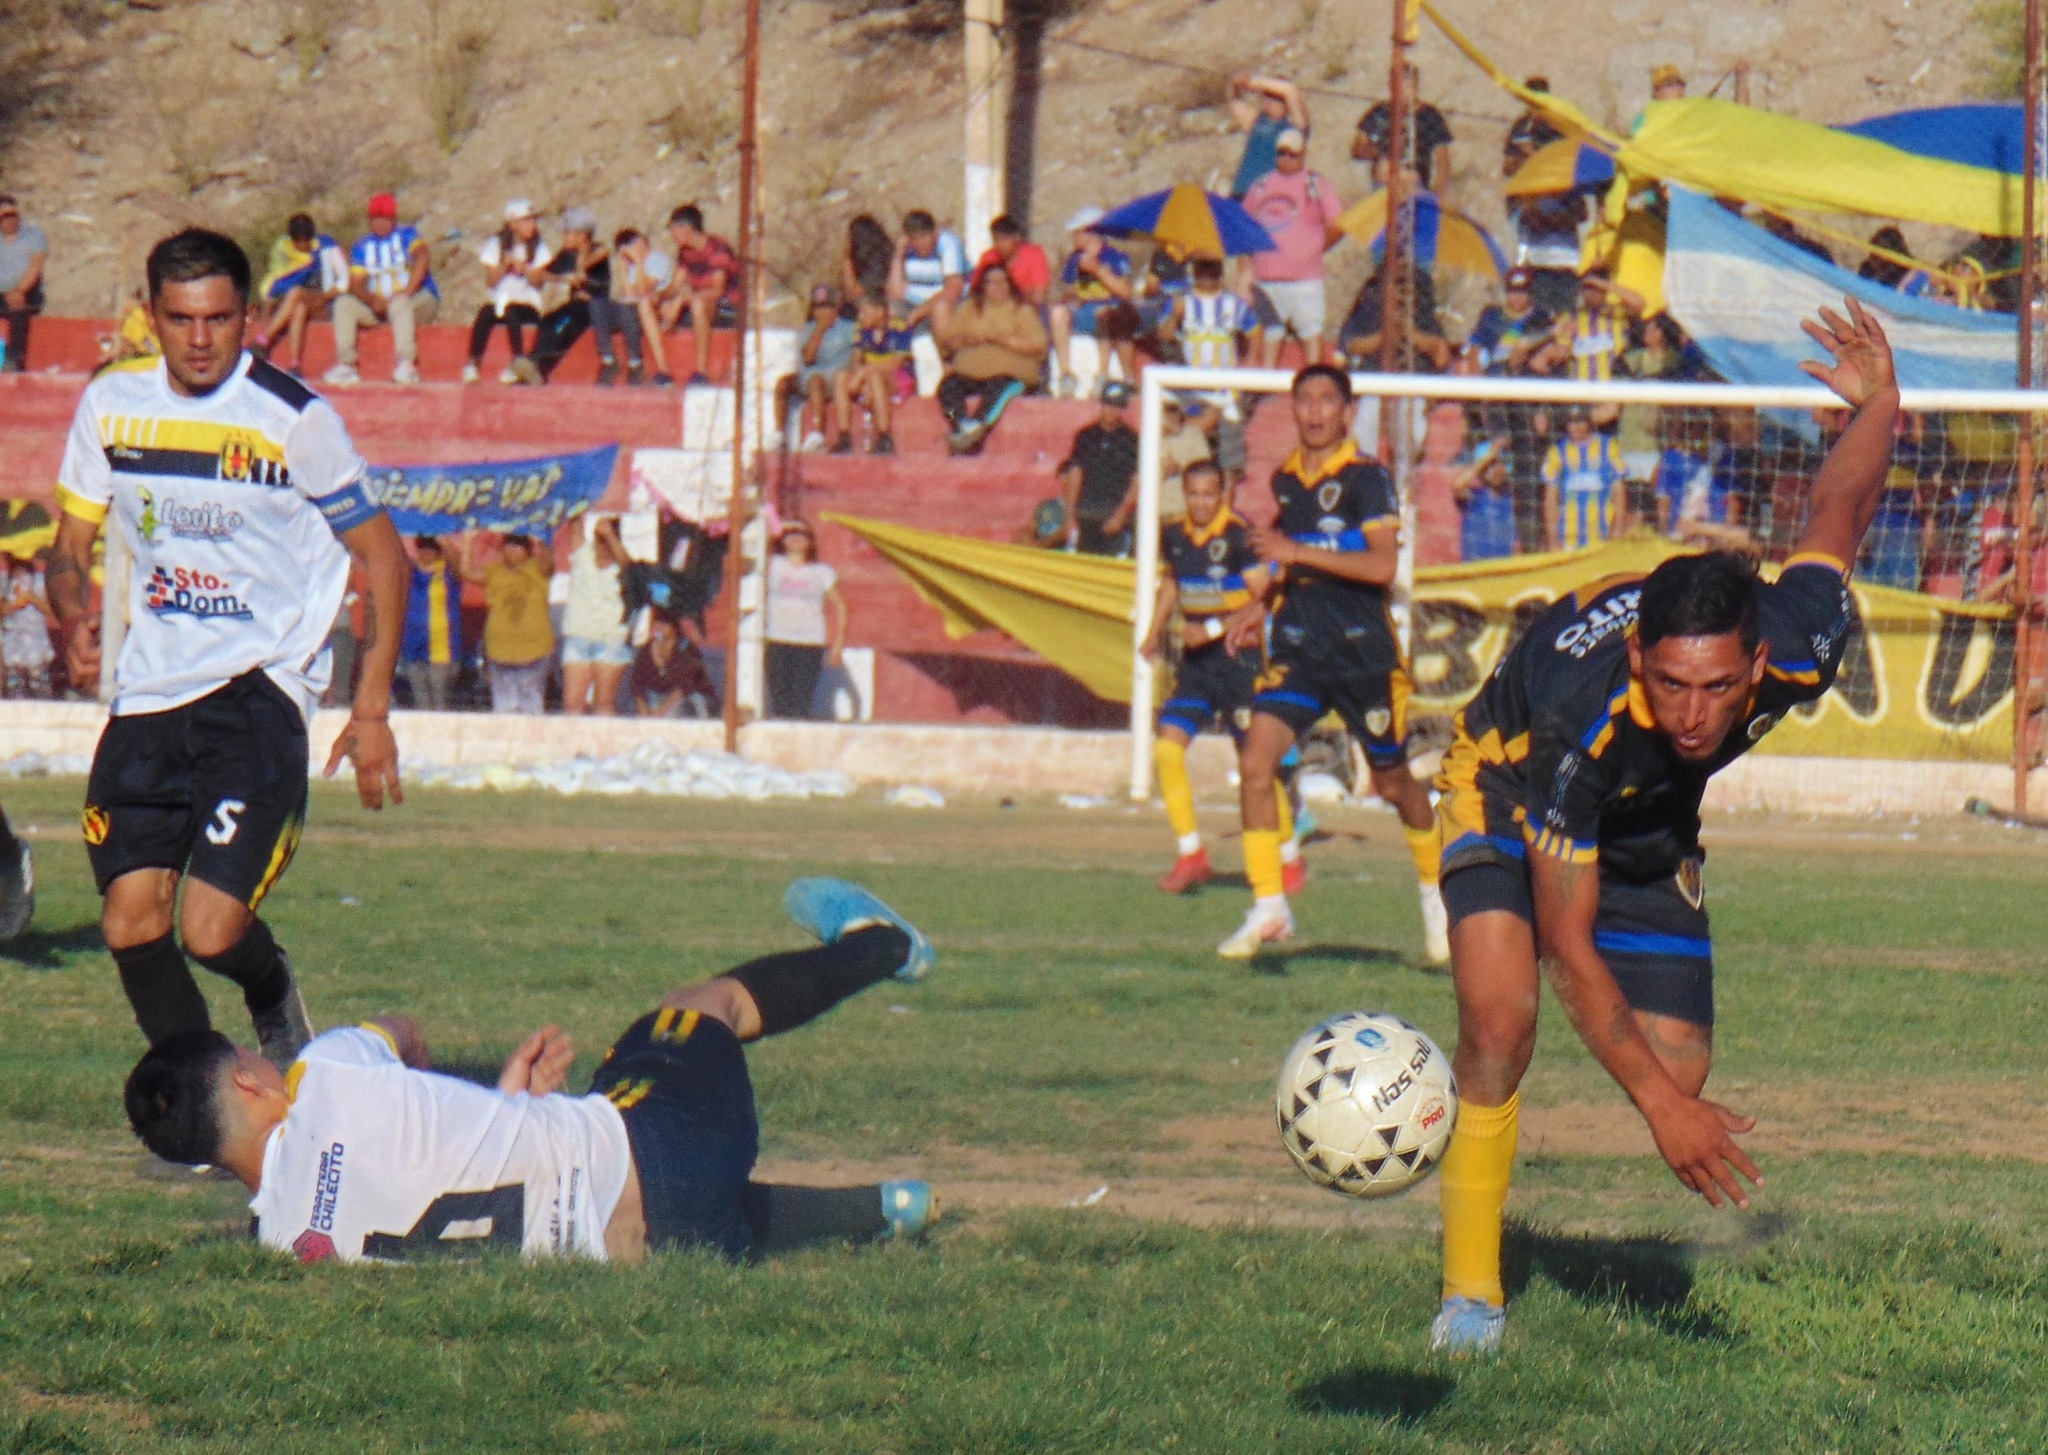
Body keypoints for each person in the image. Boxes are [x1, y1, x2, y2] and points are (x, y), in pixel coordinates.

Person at [1425, 298, 1896, 1356]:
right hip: (1504, 791)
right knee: (1502, 1023)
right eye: (1670, 685)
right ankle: (1469, 1295)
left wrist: (1882, 401)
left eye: (1716, 688)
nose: (1693, 713)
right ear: (1638, 661)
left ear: (1755, 667)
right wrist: (1656, 1117)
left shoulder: (1796, 639)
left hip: (1648, 825)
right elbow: (1565, 943)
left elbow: (1840, 505)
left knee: (1676, 1065)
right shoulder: (1576, 733)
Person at [123, 877, 938, 1264]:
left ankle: (886, 1208)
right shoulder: (326, 1071)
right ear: (249, 1081)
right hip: (669, 1153)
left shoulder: (285, 1242)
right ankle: (883, 943)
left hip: (647, 1254)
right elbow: (404, 1032)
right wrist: (408, 1069)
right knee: (696, 1009)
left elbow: (429, 1191)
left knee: (701, 1213)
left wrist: (502, 1107)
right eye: (256, 1059)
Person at [48, 227, 409, 1063]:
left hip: (258, 693)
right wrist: (73, 615)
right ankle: (208, 1109)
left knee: (211, 932)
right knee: (130, 920)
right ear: (152, 317)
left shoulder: (297, 421)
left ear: (248, 316)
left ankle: (272, 988)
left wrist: (372, 703)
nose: (200, 339)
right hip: (148, 697)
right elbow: (69, 548)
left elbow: (384, 557)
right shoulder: (111, 406)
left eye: (218, 319)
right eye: (181, 319)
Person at [1217, 365, 1447, 962]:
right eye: (1305, 401)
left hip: (1361, 654)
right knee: (1256, 761)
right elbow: (1290, 561)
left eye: (1327, 401)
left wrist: (1294, 553)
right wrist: (1258, 602)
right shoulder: (1287, 480)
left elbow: (1380, 568)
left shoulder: (1366, 478)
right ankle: (1269, 905)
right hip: (1299, 651)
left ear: (1347, 411)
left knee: (1395, 785)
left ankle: (1436, 894)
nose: (1315, 412)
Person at [1141, 461, 1277, 893]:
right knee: (1166, 749)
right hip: (1197, 666)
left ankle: (1283, 859)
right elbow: (1172, 585)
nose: (1200, 502)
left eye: (1208, 494)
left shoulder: (1240, 534)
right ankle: (1191, 854)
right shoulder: (1175, 534)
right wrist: (1153, 632)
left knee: (1255, 765)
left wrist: (1216, 629)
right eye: (1193, 494)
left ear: (1223, 494)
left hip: (1239, 662)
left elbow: (1267, 598)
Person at [1241, 129, 1345, 368]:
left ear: (1303, 155)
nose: (1286, 159)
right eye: (1281, 153)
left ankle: (1314, 381)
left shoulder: (1315, 184)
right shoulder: (1261, 185)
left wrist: (1315, 249)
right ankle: (1266, 391)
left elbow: (1338, 224)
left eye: (1292, 154)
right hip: (1267, 280)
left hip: (1304, 281)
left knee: (1311, 335)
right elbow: (1244, 223)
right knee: (1271, 336)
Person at [935, 265, 1047, 455]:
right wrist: (966, 340)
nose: (999, 287)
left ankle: (978, 425)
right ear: (983, 286)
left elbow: (1038, 346)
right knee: (948, 387)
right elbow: (948, 342)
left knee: (999, 388)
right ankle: (962, 424)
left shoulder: (1021, 310)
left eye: (1003, 282)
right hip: (969, 373)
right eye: (992, 283)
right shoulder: (969, 308)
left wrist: (1001, 339)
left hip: (1008, 374)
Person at [328, 192, 439, 386]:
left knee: (399, 303)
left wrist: (407, 291)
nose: (380, 223)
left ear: (393, 219)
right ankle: (347, 364)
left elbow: (422, 257)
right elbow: (356, 281)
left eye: (385, 219)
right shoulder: (363, 245)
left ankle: (406, 363)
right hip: (381, 304)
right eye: (376, 219)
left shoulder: (408, 235)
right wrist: (372, 300)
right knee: (344, 304)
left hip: (416, 300)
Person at [460, 533, 555, 714]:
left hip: (534, 651)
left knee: (532, 707)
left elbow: (549, 565)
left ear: (527, 550)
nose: (511, 551)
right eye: (507, 546)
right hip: (500, 651)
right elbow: (466, 572)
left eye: (517, 546)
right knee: (503, 708)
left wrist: (540, 543)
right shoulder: (494, 571)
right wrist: (468, 542)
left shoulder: (538, 569)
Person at [762, 520, 846, 721]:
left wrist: (838, 644)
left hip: (810, 643)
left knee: (801, 703)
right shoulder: (772, 565)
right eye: (791, 533)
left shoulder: (821, 572)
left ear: (811, 541)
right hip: (777, 639)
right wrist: (782, 525)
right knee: (780, 703)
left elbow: (841, 606)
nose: (796, 538)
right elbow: (757, 544)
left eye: (802, 534)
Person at [1049, 208, 1139, 393]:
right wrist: (1072, 296)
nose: (1073, 237)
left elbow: (1126, 292)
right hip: (1082, 311)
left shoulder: (1115, 256)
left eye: (1077, 233)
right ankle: (1066, 374)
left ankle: (1103, 373)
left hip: (1109, 312)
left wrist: (1097, 270)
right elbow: (1067, 289)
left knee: (1104, 313)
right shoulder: (1074, 259)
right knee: (1057, 313)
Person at [464, 200, 551, 386]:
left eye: (533, 220)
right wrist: (504, 265)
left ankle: (518, 361)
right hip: (501, 303)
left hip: (527, 305)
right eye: (526, 221)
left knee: (512, 311)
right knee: (486, 312)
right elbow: (491, 281)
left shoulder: (539, 247)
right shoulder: (497, 244)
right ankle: (473, 363)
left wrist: (525, 270)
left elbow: (539, 282)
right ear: (513, 224)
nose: (532, 225)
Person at [253, 214, 348, 376]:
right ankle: (295, 363)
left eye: (305, 241)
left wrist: (324, 296)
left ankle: (264, 339)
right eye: (298, 241)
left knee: (296, 293)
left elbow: (344, 281)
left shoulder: (327, 247)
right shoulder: (286, 250)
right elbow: (277, 279)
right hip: (303, 303)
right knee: (299, 307)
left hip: (327, 303)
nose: (302, 245)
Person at [1057, 381, 1141, 557]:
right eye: (1108, 404)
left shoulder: (1132, 439)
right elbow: (1075, 474)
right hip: (1086, 515)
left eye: (1117, 406)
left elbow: (1137, 480)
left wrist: (1121, 515)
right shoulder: (1085, 436)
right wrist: (1071, 515)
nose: (1111, 410)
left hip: (1116, 518)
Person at [659, 204, 740, 387]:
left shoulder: (717, 249)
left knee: (697, 305)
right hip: (701, 302)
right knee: (655, 306)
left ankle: (701, 371)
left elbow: (718, 291)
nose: (671, 235)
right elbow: (675, 286)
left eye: (673, 229)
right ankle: (663, 372)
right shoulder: (685, 252)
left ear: (686, 229)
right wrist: (658, 298)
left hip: (726, 306)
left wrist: (681, 301)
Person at [559, 516, 631, 716]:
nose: (602, 545)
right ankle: (574, 746)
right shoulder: (583, 555)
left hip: (611, 640)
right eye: (599, 539)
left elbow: (628, 566)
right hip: (579, 636)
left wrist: (609, 536)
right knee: (572, 703)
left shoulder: (624, 565)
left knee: (604, 703)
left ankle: (605, 747)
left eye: (606, 540)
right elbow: (575, 525)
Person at [530, 208, 609, 382]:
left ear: (581, 236)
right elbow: (542, 274)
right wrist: (562, 278)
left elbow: (592, 261)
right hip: (574, 306)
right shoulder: (566, 254)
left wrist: (581, 262)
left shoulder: (598, 249)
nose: (564, 238)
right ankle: (534, 363)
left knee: (562, 324)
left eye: (568, 234)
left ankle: (538, 364)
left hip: (593, 308)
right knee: (548, 321)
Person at [1542, 406, 1631, 549]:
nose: (1576, 426)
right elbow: (1550, 499)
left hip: (1603, 537)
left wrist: (1618, 528)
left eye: (1580, 421)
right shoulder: (1557, 452)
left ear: (1589, 421)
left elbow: (1619, 492)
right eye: (1571, 422)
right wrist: (1553, 539)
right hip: (1569, 539)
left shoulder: (1608, 447)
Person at [1353, 66, 1453, 191]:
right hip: (1384, 185)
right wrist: (1380, 155)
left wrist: (1438, 197)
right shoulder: (1379, 113)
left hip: (1415, 185)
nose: (1402, 92)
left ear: (1415, 86)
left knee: (1411, 181)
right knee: (1383, 169)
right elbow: (1358, 148)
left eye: (1407, 86)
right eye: (1396, 86)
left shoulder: (1430, 116)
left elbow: (1443, 162)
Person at [786, 284, 858, 452]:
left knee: (820, 379)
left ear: (836, 307)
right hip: (813, 378)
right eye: (817, 307)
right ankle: (813, 433)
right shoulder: (809, 329)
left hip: (838, 377)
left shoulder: (849, 328)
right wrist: (820, 329)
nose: (821, 311)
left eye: (826, 306)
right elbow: (809, 358)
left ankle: (820, 432)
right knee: (814, 380)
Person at [834, 292, 908, 456]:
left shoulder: (898, 327)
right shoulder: (862, 330)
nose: (860, 317)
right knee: (841, 376)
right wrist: (863, 379)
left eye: (864, 312)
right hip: (867, 379)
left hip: (894, 378)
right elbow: (856, 362)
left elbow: (897, 363)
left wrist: (867, 372)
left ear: (880, 312)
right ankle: (844, 435)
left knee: (874, 376)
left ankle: (884, 435)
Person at [400, 536, 462, 711]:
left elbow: (458, 562)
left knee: (441, 700)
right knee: (421, 702)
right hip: (413, 645)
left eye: (431, 549)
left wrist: (442, 538)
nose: (426, 553)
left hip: (442, 647)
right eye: (423, 549)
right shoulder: (411, 572)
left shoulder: (448, 574)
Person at [606, 229, 675, 385]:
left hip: (658, 308)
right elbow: (629, 296)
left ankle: (661, 369)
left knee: (642, 305)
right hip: (637, 311)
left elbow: (644, 292)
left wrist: (638, 261)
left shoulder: (657, 259)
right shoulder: (633, 268)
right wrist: (623, 270)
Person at [1227, 73, 1309, 199]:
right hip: (1241, 193)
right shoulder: (1256, 120)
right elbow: (1234, 99)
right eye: (1268, 96)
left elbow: (1290, 89)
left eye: (1277, 98)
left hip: (1269, 197)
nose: (1271, 101)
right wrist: (1237, 84)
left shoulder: (1294, 128)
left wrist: (1252, 82)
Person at [890, 210, 969, 339]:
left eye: (923, 237)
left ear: (935, 233)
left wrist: (920, 312)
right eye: (914, 239)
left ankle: (946, 355)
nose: (919, 243)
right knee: (889, 310)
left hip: (951, 301)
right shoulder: (906, 248)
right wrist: (898, 256)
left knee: (940, 308)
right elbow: (895, 293)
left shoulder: (948, 243)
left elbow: (953, 288)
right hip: (916, 302)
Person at [1463, 268, 1552, 377]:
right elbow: (1475, 348)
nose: (1517, 297)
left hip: (1525, 376)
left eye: (1522, 292)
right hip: (1492, 374)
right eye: (1513, 292)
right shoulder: (1492, 315)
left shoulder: (1539, 316)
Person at [631, 610, 717, 718]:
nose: (658, 628)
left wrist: (661, 711)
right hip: (658, 696)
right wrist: (644, 711)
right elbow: (637, 683)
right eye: (655, 624)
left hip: (687, 698)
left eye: (663, 624)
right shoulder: (646, 650)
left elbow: (685, 686)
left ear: (674, 627)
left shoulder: (687, 649)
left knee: (674, 712)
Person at [1449, 438, 1517, 562]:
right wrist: (1485, 459)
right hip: (1476, 570)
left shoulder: (1510, 501)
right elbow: (1457, 486)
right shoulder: (1474, 498)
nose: (1496, 471)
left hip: (1502, 571)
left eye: (1500, 465)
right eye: (1490, 467)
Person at [0, 195, 48, 372]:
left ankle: (14, 360)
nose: (10, 220)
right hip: (2, 293)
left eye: (13, 215)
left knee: (18, 307)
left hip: (27, 291)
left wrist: (19, 290)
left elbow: (36, 265)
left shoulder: (33, 235)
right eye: (5, 217)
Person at [0, 552, 56, 697]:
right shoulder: (6, 582)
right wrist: (14, 604)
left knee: (38, 678)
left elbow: (50, 609)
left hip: (36, 639)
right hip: (13, 639)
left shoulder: (39, 583)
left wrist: (31, 597)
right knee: (15, 682)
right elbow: (3, 609)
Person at [972, 215, 1053, 308]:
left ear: (1016, 238)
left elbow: (1039, 296)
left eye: (1004, 239)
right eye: (996, 240)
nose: (1000, 245)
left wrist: (1004, 295)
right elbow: (976, 292)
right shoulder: (988, 257)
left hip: (1028, 310)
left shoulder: (1034, 254)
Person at [842, 214, 894, 304]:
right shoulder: (887, 253)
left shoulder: (878, 261)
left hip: (878, 306)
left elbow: (852, 292)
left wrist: (847, 259)